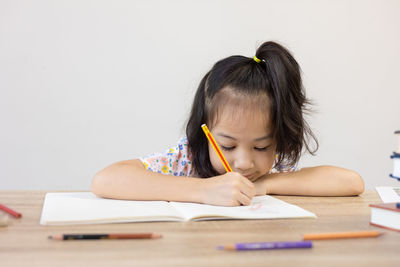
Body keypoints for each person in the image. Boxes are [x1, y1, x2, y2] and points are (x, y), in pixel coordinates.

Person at [91, 41, 364, 206]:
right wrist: (203, 190)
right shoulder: (186, 159)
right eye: (227, 145)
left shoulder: (276, 166)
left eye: (261, 147)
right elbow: (106, 180)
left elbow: (351, 183)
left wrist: (265, 185)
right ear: (205, 131)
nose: (244, 163)